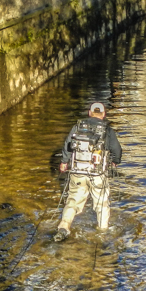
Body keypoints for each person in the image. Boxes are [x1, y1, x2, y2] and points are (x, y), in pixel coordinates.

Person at [54, 102, 123, 242]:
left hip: (78, 172)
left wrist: (64, 162)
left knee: (73, 200)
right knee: (101, 204)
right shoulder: (107, 130)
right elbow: (117, 150)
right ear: (103, 114)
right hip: (98, 174)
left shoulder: (78, 126)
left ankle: (64, 227)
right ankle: (102, 233)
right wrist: (115, 161)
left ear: (89, 113)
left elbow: (68, 145)